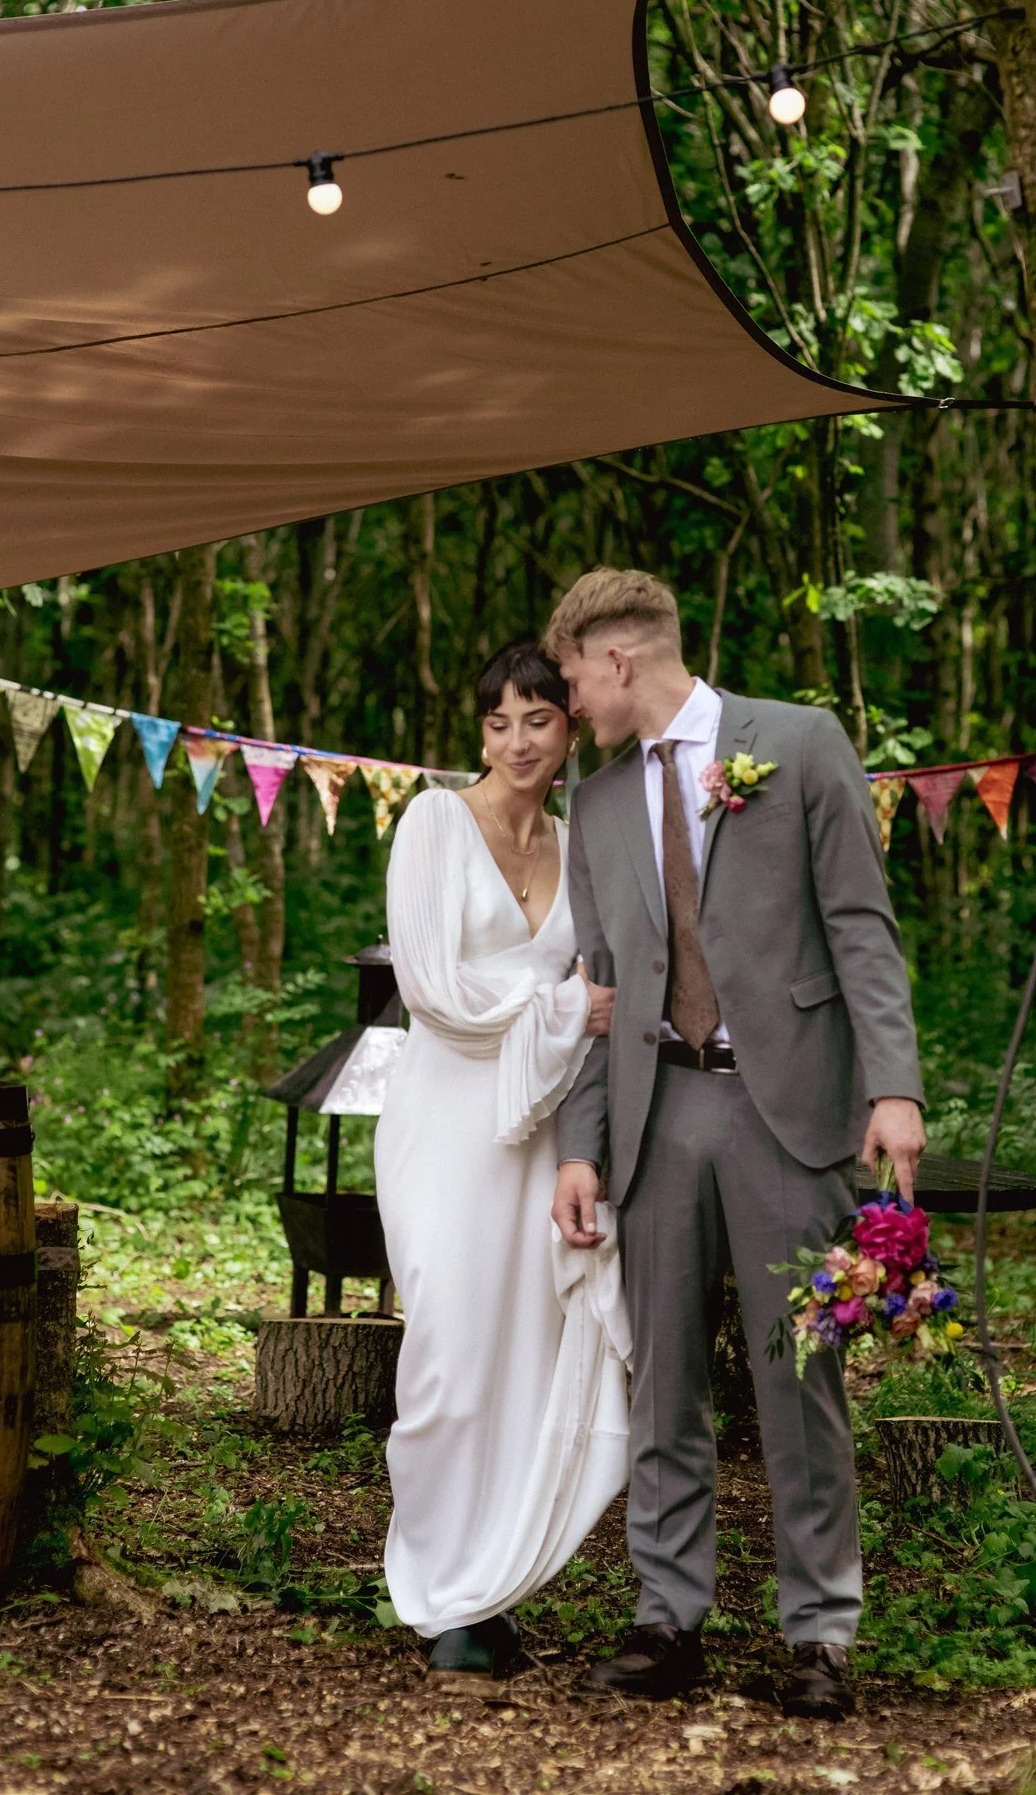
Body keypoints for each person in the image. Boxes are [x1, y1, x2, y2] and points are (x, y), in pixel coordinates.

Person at [545, 569, 926, 1720]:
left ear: (619, 659)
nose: (565, 706)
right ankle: (668, 1616)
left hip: (788, 1108)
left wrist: (893, 1086)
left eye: (569, 679)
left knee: (797, 1377)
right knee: (660, 1378)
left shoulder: (801, 743)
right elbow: (598, 984)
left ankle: (821, 1632)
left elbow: (861, 924)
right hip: (658, 1108)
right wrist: (580, 1144)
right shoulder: (600, 803)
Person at [375, 638, 629, 1678]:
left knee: (524, 1352)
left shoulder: (581, 844)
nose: (518, 740)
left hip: (544, 1133)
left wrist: (583, 1021)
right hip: (448, 1120)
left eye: (538, 719)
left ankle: (491, 1585)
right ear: (479, 731)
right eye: (498, 721)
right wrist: (566, 1006)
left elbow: (612, 975)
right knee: (447, 1348)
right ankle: (435, 1589)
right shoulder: (435, 821)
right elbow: (433, 986)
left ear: (570, 728)